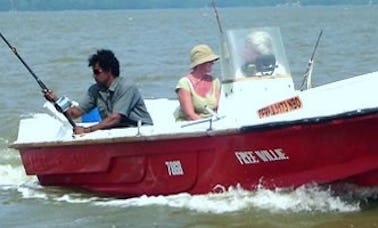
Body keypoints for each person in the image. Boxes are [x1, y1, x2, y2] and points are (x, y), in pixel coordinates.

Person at [44, 49, 153, 134]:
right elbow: (74, 113)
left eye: (97, 72)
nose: (94, 76)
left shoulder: (127, 87)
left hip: (139, 131)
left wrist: (87, 130)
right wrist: (55, 100)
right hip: (114, 133)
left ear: (109, 70)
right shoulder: (95, 90)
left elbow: (115, 119)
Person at [174, 44, 221, 121]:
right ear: (200, 63)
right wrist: (206, 124)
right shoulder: (184, 83)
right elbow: (190, 115)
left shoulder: (215, 81)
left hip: (212, 124)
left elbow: (218, 108)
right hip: (190, 125)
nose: (213, 63)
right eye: (210, 61)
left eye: (213, 61)